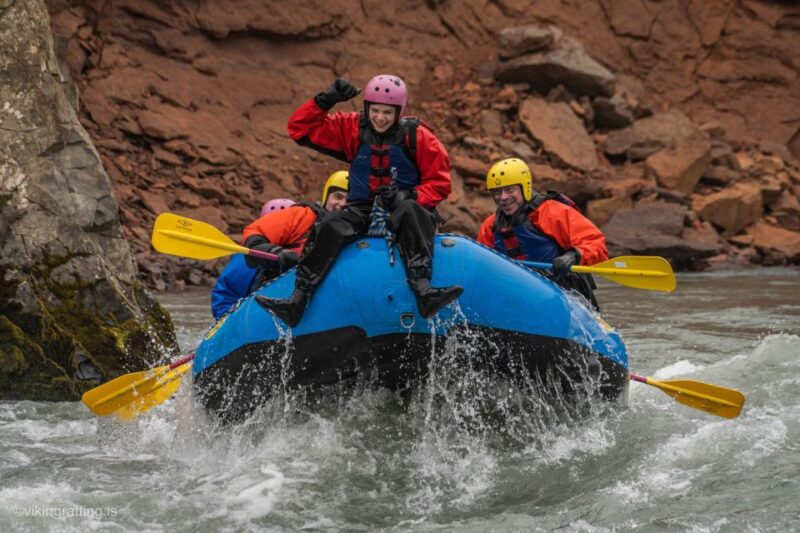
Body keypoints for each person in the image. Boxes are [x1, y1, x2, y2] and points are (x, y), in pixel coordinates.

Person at [256, 75, 463, 327]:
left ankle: (424, 291)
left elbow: (440, 184)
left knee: (410, 210)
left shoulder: (419, 137)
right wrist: (326, 100)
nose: (380, 118)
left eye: (387, 112)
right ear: (366, 108)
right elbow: (299, 128)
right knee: (330, 224)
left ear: (399, 111)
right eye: (374, 110)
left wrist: (407, 195)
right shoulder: (351, 128)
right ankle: (298, 299)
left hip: (407, 207)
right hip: (361, 207)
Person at [210, 172, 349, 319]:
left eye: (349, 199)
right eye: (338, 196)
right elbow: (227, 293)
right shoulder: (247, 254)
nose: (343, 203)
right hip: (263, 302)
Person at [476, 158, 608, 309]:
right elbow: (482, 266)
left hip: (564, 293)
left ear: (524, 187)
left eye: (510, 189)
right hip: (519, 296)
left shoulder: (552, 212)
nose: (503, 197)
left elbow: (596, 243)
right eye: (497, 192)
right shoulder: (490, 226)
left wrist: (572, 256)